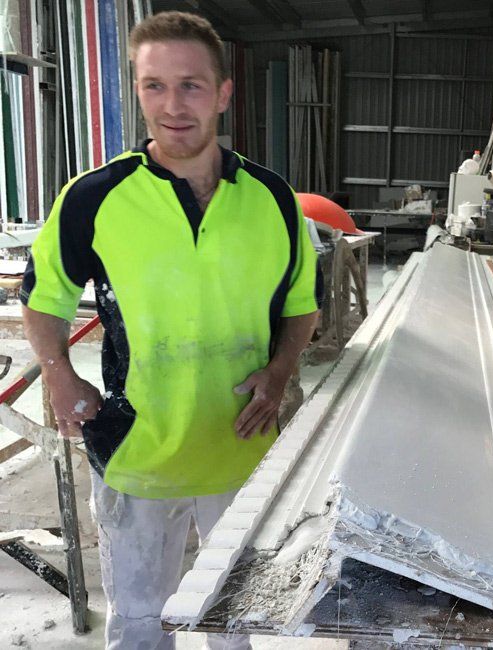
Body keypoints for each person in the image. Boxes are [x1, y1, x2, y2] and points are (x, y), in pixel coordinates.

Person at [21, 11, 320, 649]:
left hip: (240, 446)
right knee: (138, 619)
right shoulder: (94, 197)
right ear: (137, 89)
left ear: (222, 93)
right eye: (154, 85)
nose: (172, 105)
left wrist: (279, 372)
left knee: (231, 618)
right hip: (136, 450)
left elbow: (301, 305)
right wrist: (58, 372)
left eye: (190, 85)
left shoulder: (274, 201)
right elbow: (43, 297)